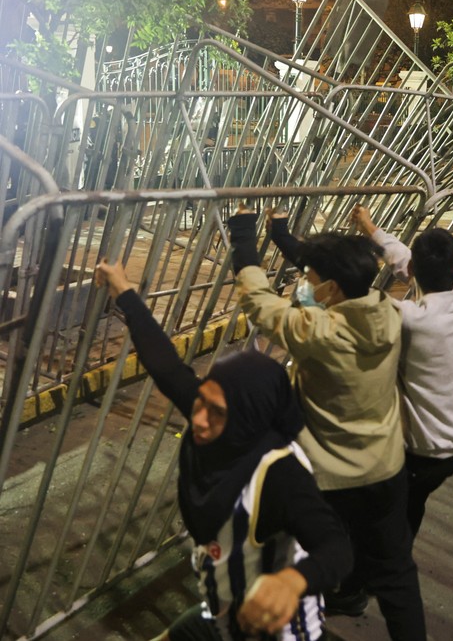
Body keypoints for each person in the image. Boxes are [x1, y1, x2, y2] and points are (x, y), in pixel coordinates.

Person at [94, 260, 353, 641]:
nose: (198, 419)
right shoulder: (218, 424)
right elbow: (166, 365)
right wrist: (123, 291)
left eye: (216, 413)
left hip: (277, 631)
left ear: (249, 417)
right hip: (223, 610)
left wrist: (292, 581)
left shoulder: (278, 471)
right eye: (200, 403)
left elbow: (337, 547)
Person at [228, 211, 426, 640]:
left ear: (331, 288)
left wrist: (243, 237)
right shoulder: (388, 312)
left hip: (331, 477)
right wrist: (283, 234)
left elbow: (258, 301)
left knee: (298, 562)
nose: (305, 283)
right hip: (387, 468)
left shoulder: (319, 330)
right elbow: (332, 273)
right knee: (396, 574)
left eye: (310, 276)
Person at [348, 204, 453, 535]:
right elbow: (404, 260)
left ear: (416, 274)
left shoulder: (410, 319)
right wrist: (371, 228)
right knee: (410, 504)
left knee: (387, 512)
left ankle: (373, 573)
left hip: (428, 450)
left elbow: (360, 300)